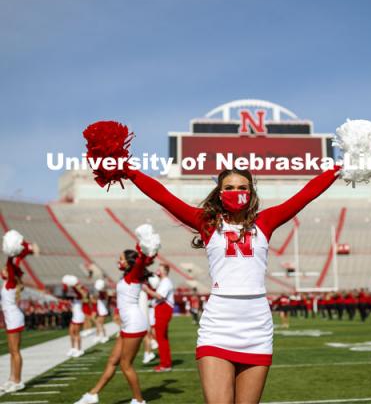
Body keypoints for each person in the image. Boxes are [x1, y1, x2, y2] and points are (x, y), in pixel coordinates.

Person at [120, 163, 340, 403]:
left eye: (243, 187)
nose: (236, 192)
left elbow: (304, 195)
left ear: (252, 192)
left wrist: (337, 169)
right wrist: (128, 170)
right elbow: (163, 196)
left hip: (257, 325)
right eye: (230, 187)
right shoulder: (207, 223)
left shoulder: (266, 221)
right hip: (219, 323)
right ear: (219, 192)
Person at [74, 247, 156, 404]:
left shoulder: (133, 274)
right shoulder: (128, 275)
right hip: (127, 324)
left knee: (126, 365)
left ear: (130, 262)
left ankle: (138, 400)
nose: (119, 261)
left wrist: (145, 247)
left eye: (121, 258)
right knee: (112, 360)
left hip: (134, 323)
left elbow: (142, 260)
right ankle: (93, 394)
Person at [0, 237, 33, 394]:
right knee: (12, 351)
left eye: (6, 269)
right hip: (11, 317)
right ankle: (11, 379)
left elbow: (12, 259)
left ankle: (18, 381)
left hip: (13, 318)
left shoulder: (11, 280)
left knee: (15, 351)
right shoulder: (9, 282)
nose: (3, 270)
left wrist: (20, 245)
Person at [143, 264, 175, 372]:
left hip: (163, 310)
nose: (157, 271)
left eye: (160, 269)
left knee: (161, 338)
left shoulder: (166, 282)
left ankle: (165, 364)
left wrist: (147, 290)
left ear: (165, 271)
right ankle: (166, 362)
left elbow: (160, 296)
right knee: (162, 338)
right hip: (161, 309)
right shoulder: (163, 281)